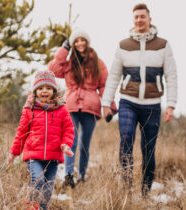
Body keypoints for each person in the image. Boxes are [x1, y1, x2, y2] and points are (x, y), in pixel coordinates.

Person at [102, 3, 177, 197]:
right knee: (126, 139)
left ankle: (145, 191)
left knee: (149, 149)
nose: (139, 20)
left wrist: (171, 104)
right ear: (133, 19)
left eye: (142, 17)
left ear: (149, 19)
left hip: (152, 104)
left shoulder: (163, 45)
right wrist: (106, 102)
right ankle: (126, 187)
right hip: (128, 102)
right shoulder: (123, 46)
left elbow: (171, 75)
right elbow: (114, 76)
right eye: (136, 17)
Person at [48, 29, 117, 188]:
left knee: (85, 144)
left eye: (82, 40)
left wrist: (110, 107)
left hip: (91, 107)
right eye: (76, 41)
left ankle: (82, 176)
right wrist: (64, 49)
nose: (80, 43)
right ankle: (68, 175)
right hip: (71, 105)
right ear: (73, 44)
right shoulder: (68, 63)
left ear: (87, 42)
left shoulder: (98, 63)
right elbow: (52, 68)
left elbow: (104, 86)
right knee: (71, 140)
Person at [8, 70, 74, 210]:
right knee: (37, 180)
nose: (45, 91)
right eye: (41, 88)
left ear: (54, 90)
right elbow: (21, 133)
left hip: (53, 156)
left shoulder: (61, 109)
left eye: (49, 88)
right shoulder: (29, 109)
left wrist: (66, 144)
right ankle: (33, 205)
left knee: (48, 187)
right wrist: (14, 152)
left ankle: (43, 208)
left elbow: (68, 129)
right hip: (33, 155)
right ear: (35, 90)